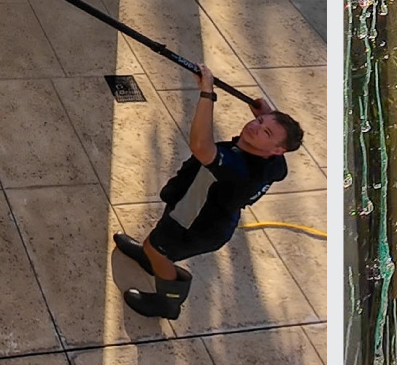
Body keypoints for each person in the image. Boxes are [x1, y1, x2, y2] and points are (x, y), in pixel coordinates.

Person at [112, 65, 303, 320]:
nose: (255, 127)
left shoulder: (238, 169)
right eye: (259, 122)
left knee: (159, 249)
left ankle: (168, 302)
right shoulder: (275, 163)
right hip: (201, 211)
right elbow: (276, 134)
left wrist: (206, 93)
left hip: (193, 224)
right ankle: (150, 259)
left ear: (278, 149)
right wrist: (268, 116)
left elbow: (201, 145)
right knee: (156, 243)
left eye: (265, 132)